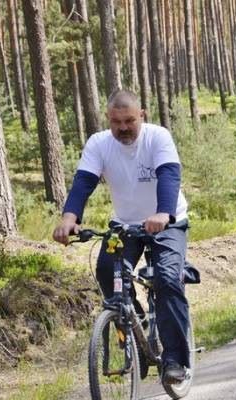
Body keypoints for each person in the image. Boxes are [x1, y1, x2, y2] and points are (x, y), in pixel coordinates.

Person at [52, 90, 191, 384]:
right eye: (117, 122)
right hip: (125, 225)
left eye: (129, 120)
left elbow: (169, 174)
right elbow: (83, 183)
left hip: (167, 222)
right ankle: (135, 332)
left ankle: (176, 359)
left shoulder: (158, 137)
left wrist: (164, 213)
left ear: (142, 115)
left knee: (167, 279)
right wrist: (69, 219)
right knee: (107, 272)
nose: (124, 128)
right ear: (108, 119)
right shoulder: (99, 143)